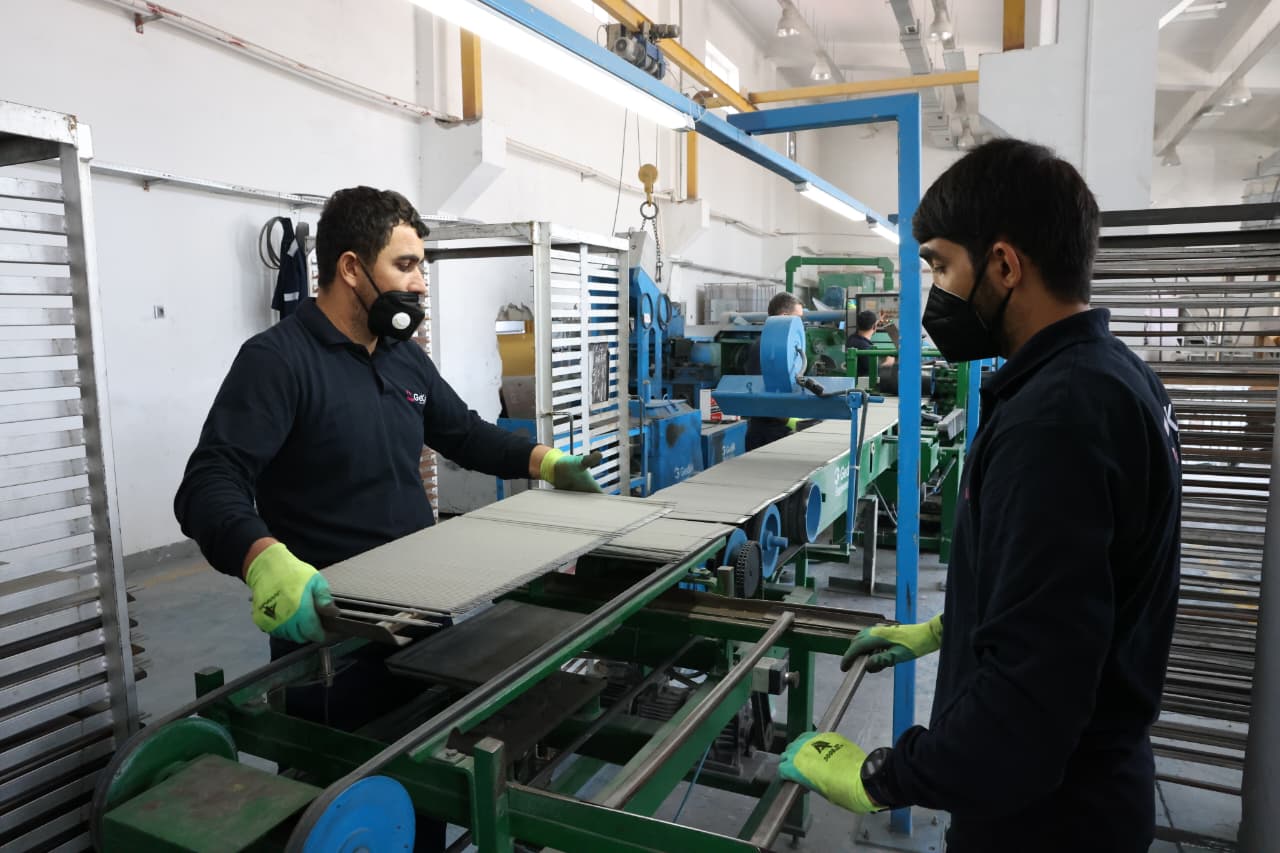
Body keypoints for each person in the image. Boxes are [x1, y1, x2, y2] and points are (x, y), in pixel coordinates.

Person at [779, 139, 1181, 853]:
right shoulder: (1115, 376)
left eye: (940, 265)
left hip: (1047, 822)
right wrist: (952, 625)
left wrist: (882, 776)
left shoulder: (1057, 416)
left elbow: (1026, 710)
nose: (934, 289)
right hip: (1090, 793)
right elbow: (1076, 600)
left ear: (1003, 265)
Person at [174, 187, 602, 852]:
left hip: (424, 623)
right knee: (345, 814)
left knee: (423, 796)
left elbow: (462, 432)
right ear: (351, 268)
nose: (421, 282)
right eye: (406, 265)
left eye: (421, 266)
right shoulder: (278, 361)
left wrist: (543, 460)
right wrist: (261, 557)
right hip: (331, 640)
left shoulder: (403, 356)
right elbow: (208, 483)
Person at [743, 291, 805, 451]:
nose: (801, 324)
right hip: (765, 434)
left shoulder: (787, 348)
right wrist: (790, 420)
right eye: (799, 318)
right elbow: (760, 395)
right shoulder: (764, 348)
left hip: (781, 429)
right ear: (784, 317)